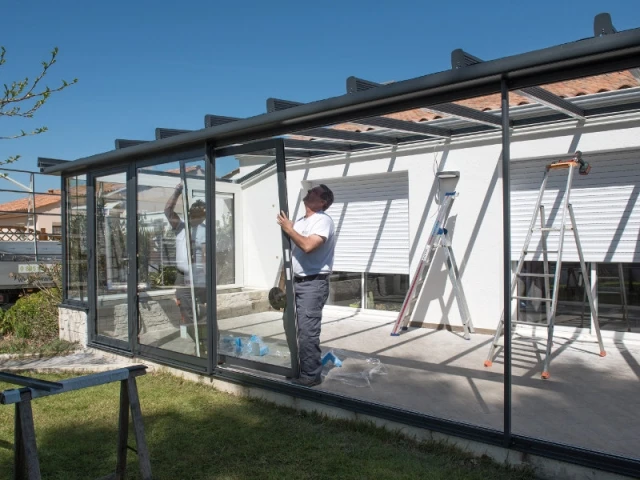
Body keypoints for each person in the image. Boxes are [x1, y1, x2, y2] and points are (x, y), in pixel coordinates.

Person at [276, 184, 336, 387]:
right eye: (311, 189)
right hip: (296, 282)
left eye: (316, 192)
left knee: (307, 330)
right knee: (291, 327)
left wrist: (289, 229)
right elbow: (290, 255)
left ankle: (311, 376)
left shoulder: (323, 220)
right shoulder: (301, 222)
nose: (310, 191)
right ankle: (298, 368)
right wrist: (282, 286)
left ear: (322, 202)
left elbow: (308, 246)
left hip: (313, 283)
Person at [164, 183, 206, 338]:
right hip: (182, 275)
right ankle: (198, 341)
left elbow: (206, 255)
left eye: (199, 213)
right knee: (185, 309)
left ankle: (206, 342)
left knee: (202, 310)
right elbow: (167, 211)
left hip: (198, 276)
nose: (195, 216)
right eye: (193, 213)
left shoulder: (204, 231)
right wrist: (177, 192)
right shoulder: (180, 226)